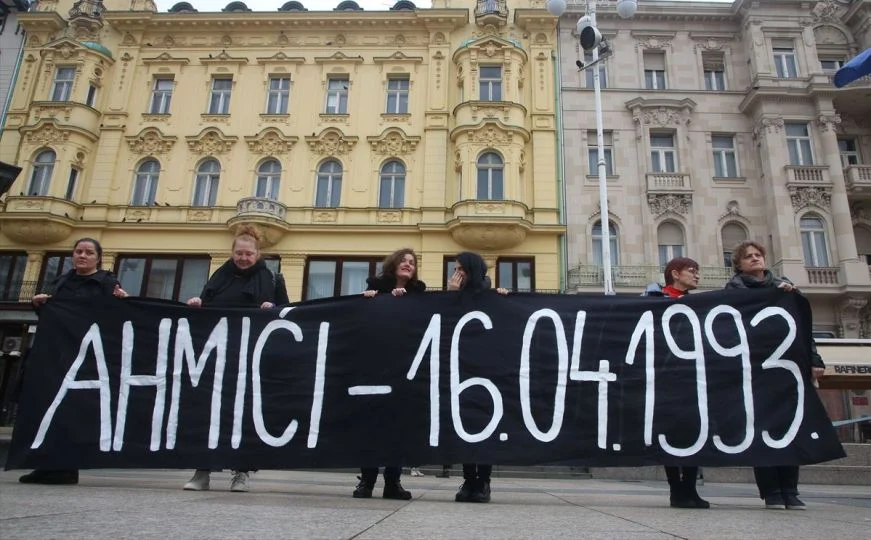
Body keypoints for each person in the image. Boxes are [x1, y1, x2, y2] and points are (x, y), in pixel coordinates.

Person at [183, 225, 289, 493]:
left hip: (252, 360)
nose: (243, 258)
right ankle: (202, 470)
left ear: (257, 253)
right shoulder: (218, 278)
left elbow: (287, 315)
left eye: (248, 253)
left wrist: (273, 309)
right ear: (232, 253)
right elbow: (206, 309)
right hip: (218, 359)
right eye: (239, 253)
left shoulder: (272, 279)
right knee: (210, 412)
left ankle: (241, 472)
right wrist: (197, 304)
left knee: (245, 414)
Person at [19, 237, 129, 485]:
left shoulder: (106, 282)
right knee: (51, 407)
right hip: (59, 355)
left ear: (98, 258)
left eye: (89, 252)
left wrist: (123, 302)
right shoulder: (61, 281)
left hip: (86, 357)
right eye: (79, 251)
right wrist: (40, 305)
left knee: (74, 411)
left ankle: (67, 467)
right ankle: (45, 465)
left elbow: (115, 317)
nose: (82, 255)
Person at [725, 240, 825, 510]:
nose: (755, 259)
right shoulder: (734, 290)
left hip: (785, 369)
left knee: (789, 428)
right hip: (754, 371)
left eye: (758, 255)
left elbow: (802, 328)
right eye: (748, 257)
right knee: (763, 430)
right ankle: (771, 491)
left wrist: (814, 359)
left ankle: (790, 490)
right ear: (739, 264)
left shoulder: (784, 287)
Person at [353, 248, 425, 501]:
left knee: (398, 427)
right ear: (393, 264)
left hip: (404, 368)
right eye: (404, 261)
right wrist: (375, 299)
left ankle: (393, 482)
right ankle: (367, 481)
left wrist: (405, 302)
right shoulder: (374, 287)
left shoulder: (419, 293)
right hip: (374, 366)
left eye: (412, 263)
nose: (408, 265)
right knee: (371, 427)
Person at [643, 257, 710, 509]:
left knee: (695, 431)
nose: (697, 276)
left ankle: (691, 488)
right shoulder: (654, 300)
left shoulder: (700, 304)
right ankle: (676, 490)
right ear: (675, 273)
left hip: (693, 377)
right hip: (665, 377)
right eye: (692, 271)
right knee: (669, 433)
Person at [447, 251, 508, 503]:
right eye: (454, 269)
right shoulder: (455, 293)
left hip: (486, 369)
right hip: (461, 367)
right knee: (464, 424)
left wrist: (503, 299)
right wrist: (451, 294)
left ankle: (483, 481)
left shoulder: (488, 293)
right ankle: (468, 479)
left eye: (460, 269)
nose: (456, 274)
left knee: (485, 425)